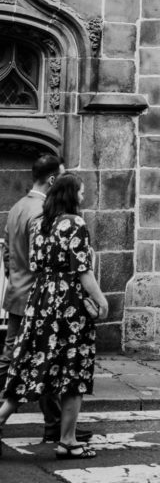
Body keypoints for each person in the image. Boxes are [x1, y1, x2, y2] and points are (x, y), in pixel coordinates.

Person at [0, 172, 108, 459]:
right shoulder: (75, 223)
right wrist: (101, 300)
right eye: (81, 193)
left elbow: (35, 263)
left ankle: (0, 417)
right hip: (68, 304)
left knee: (28, 365)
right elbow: (83, 270)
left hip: (40, 300)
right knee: (73, 370)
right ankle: (68, 440)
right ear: (71, 195)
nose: (83, 198)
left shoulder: (40, 223)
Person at [0, 154, 83, 445]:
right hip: (39, 299)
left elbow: (9, 256)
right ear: (52, 180)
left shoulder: (17, 206)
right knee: (26, 364)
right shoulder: (43, 212)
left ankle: (56, 423)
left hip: (16, 294)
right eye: (61, 176)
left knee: (34, 360)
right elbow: (46, 261)